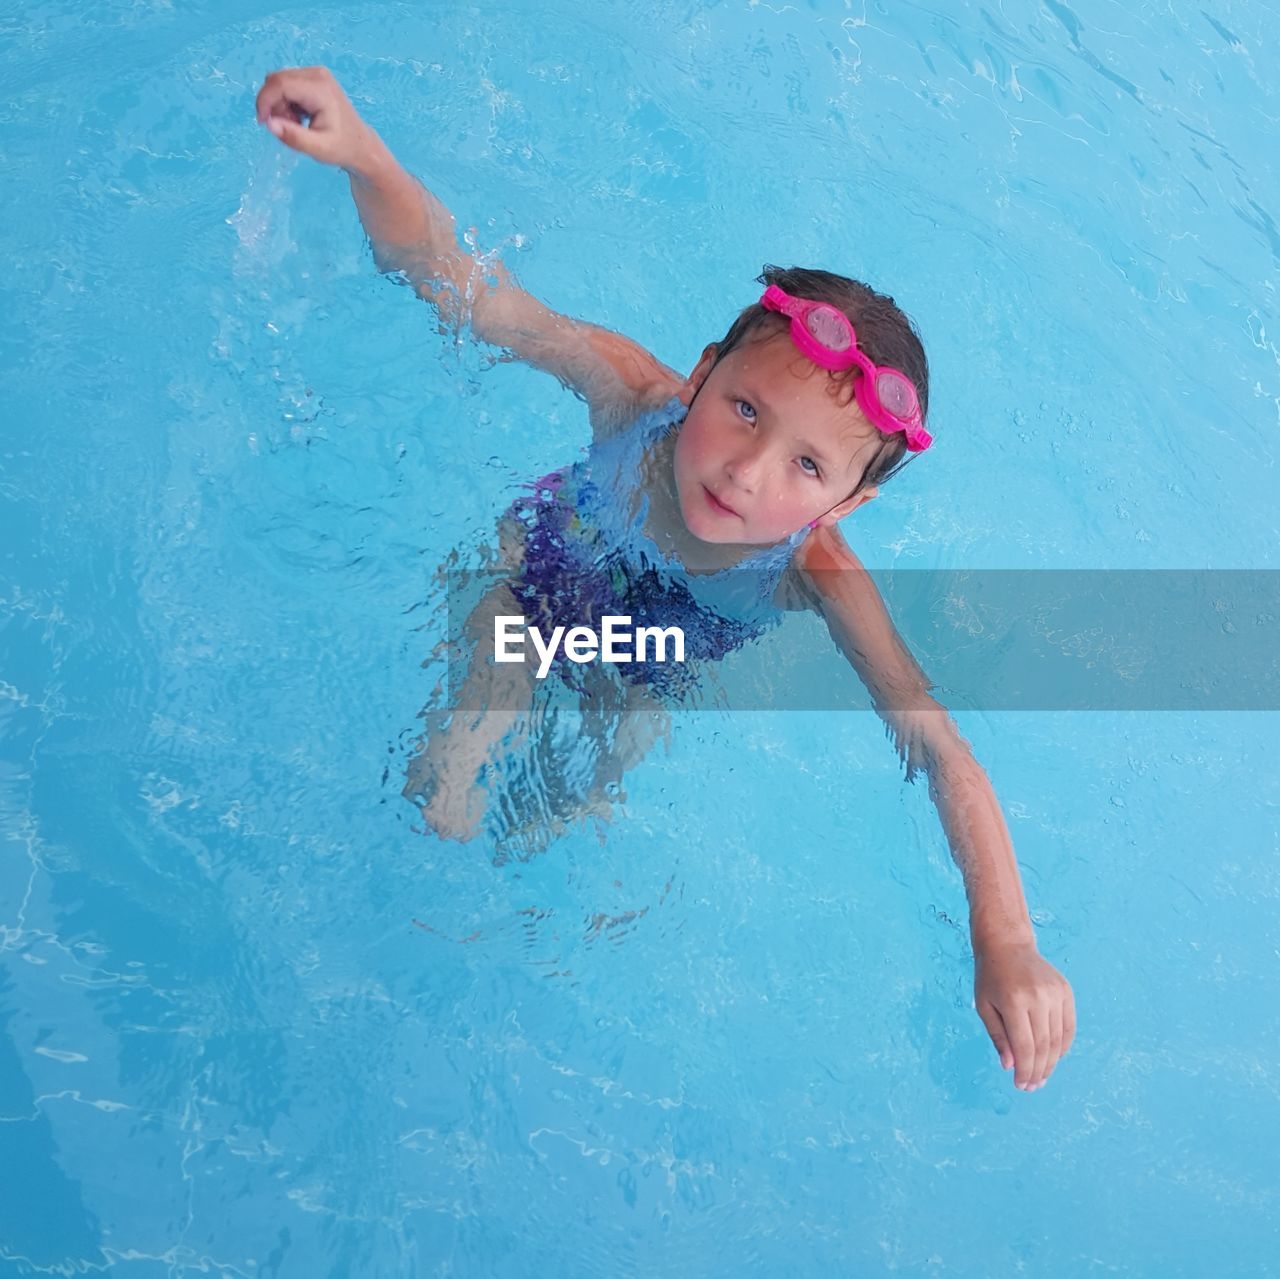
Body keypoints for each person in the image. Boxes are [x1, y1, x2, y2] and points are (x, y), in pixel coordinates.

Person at [255, 66, 1076, 1093]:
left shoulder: (815, 571)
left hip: (648, 661)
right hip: (535, 579)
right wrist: (363, 153)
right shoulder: (630, 396)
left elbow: (937, 745)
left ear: (843, 505)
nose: (745, 469)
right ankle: (408, 886)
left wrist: (1003, 938)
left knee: (567, 816)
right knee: (458, 774)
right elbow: (463, 290)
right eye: (740, 409)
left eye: (806, 465)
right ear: (698, 374)